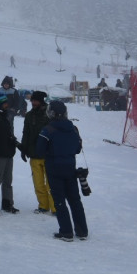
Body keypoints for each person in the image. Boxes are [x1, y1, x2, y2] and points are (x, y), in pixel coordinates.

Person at [37, 101, 89, 241]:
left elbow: (39, 151)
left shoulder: (47, 130)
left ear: (51, 113)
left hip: (54, 168)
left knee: (59, 200)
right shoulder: (73, 128)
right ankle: (82, 231)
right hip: (70, 167)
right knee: (75, 200)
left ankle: (66, 232)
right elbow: (77, 149)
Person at [21, 91, 55, 215]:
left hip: (48, 155)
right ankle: (43, 206)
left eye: (35, 101)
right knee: (38, 183)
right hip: (34, 154)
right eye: (32, 101)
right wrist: (23, 149)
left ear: (41, 101)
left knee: (51, 184)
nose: (33, 103)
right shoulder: (29, 115)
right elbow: (26, 133)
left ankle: (55, 208)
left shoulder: (50, 114)